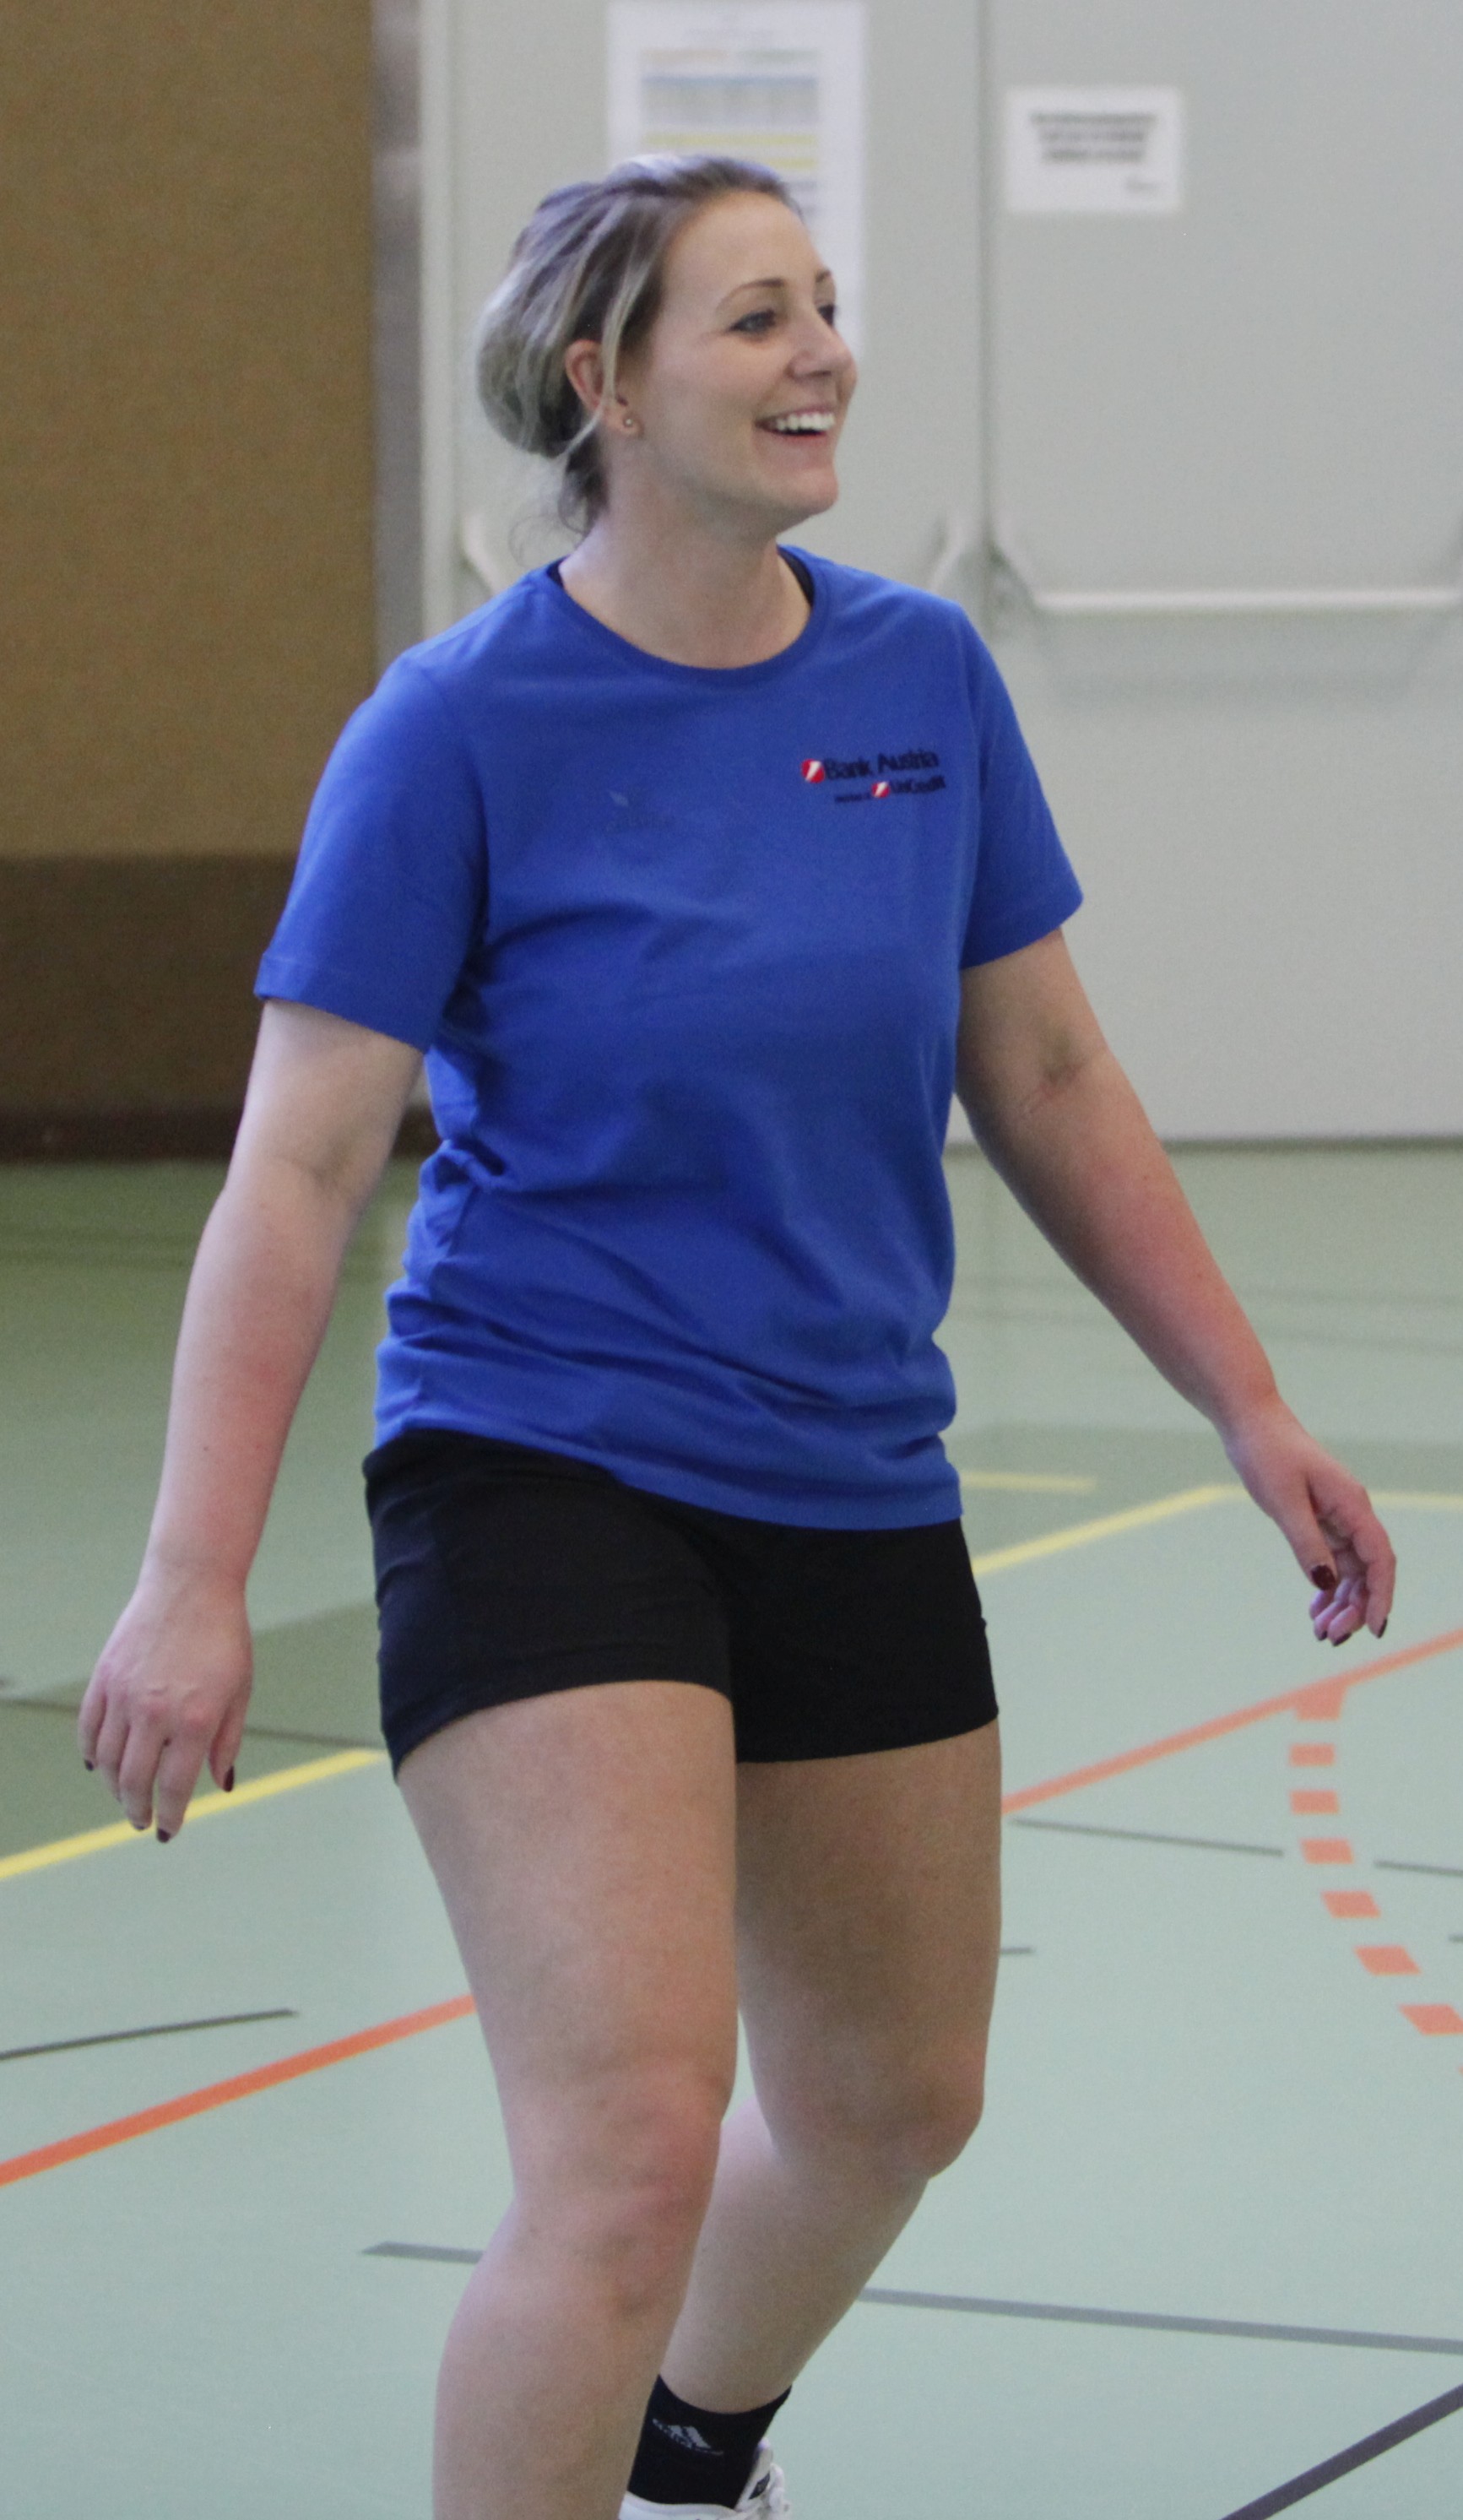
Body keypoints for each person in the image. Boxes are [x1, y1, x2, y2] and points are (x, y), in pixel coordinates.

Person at [79, 154, 1395, 2520]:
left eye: (826, 305)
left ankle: (694, 2444)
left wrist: (1248, 1400)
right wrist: (193, 1571)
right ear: (605, 381)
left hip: (851, 1463)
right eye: (757, 316)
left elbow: (1050, 1074)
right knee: (625, 2145)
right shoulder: (453, 729)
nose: (823, 357)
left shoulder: (920, 682)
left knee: (896, 2098)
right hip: (540, 1458)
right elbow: (295, 1169)